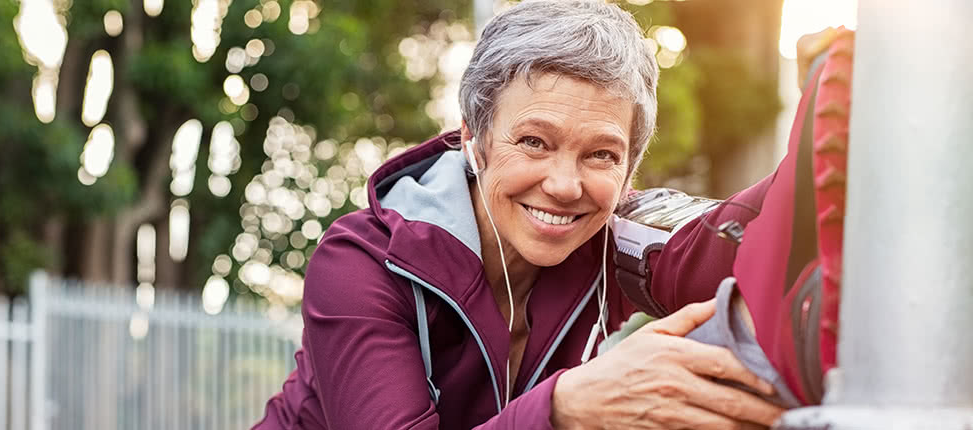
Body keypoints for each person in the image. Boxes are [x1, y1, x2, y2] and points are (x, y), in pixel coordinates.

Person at [255, 1, 810, 428]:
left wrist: (832, 151)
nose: (566, 186)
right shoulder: (363, 262)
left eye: (601, 154)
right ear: (475, 139)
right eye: (535, 142)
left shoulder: (611, 235)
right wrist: (567, 407)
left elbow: (732, 239)